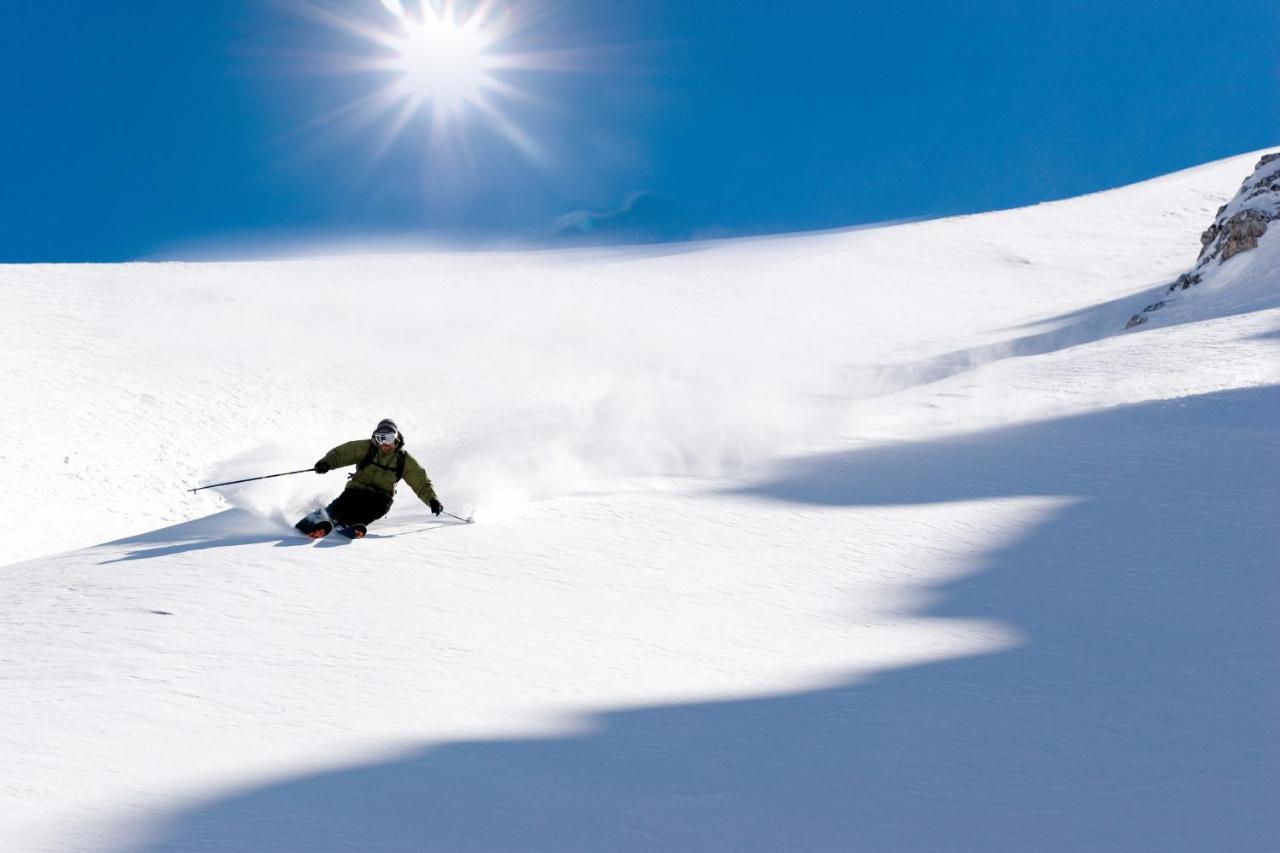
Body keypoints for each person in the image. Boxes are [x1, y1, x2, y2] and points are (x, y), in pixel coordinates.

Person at [295, 418, 443, 539]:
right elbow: (343, 453)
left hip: (381, 497)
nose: (384, 443)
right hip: (357, 489)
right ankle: (313, 522)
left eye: (389, 438)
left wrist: (432, 500)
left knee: (377, 508)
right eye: (380, 438)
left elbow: (420, 481)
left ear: (396, 438)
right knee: (342, 505)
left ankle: (348, 525)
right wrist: (326, 463)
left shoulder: (404, 460)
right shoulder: (367, 447)